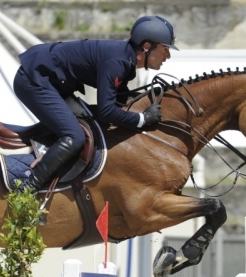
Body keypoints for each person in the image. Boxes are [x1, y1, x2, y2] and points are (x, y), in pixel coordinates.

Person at [13, 15, 179, 191]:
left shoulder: (126, 62)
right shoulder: (118, 62)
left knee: (88, 120)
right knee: (75, 136)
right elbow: (107, 111)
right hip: (35, 79)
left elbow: (118, 103)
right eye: (165, 49)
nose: (168, 55)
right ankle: (28, 188)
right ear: (147, 47)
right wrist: (143, 119)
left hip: (53, 81)